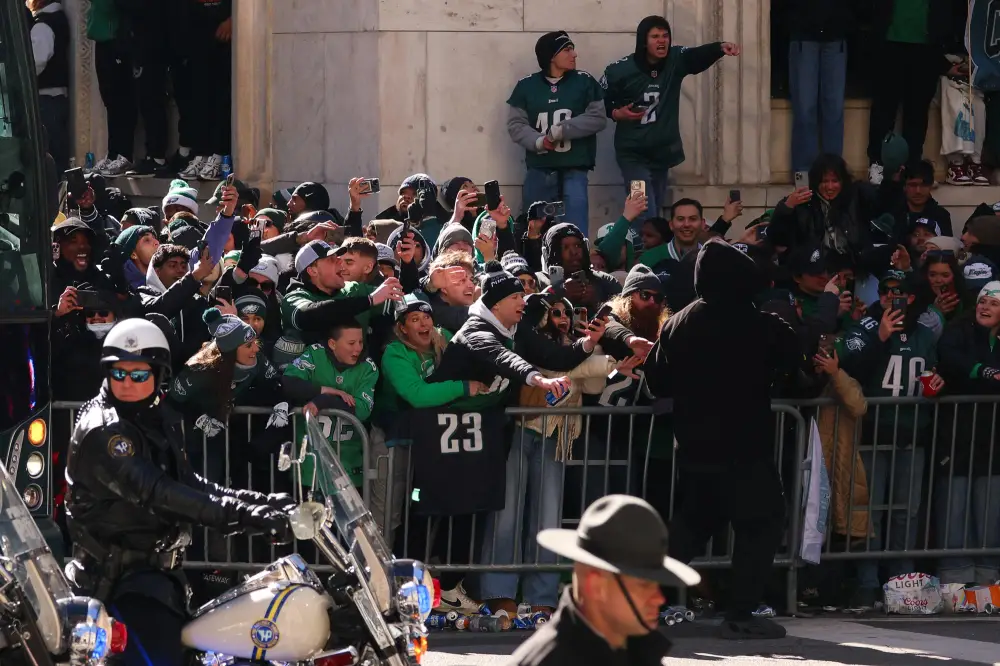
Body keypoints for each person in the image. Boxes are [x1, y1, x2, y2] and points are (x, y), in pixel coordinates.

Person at [63, 319, 292, 666]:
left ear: (158, 376)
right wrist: (244, 517)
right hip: (118, 584)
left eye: (138, 375)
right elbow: (159, 492)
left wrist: (261, 503)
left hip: (156, 577)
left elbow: (188, 481)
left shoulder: (151, 417)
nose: (126, 383)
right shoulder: (107, 432)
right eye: (118, 373)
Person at [644, 239, 799, 639]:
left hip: (695, 446)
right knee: (762, 522)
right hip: (744, 447)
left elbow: (656, 379)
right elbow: (792, 355)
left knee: (691, 527)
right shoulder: (754, 322)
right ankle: (742, 611)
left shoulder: (678, 323)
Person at [510, 494, 700, 666]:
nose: (659, 598)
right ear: (596, 585)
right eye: (644, 585)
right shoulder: (551, 660)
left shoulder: (636, 648)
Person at [601, 15, 739, 233]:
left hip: (661, 152)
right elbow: (602, 102)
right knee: (642, 207)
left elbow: (695, 56)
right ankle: (643, 257)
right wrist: (618, 113)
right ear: (643, 41)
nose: (661, 41)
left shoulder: (674, 60)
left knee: (654, 210)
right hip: (633, 154)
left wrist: (719, 48)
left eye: (665, 35)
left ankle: (654, 255)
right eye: (655, 36)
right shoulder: (620, 70)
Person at [507, 31, 606, 229]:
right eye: (567, 50)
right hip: (539, 169)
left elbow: (598, 118)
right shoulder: (526, 86)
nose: (574, 54)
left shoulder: (584, 81)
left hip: (574, 168)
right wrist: (538, 141)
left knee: (575, 230)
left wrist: (562, 130)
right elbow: (515, 125)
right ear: (551, 56)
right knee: (536, 229)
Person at [29, 0, 70, 173]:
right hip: (55, 99)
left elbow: (35, 62)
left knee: (50, 158)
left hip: (46, 99)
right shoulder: (57, 19)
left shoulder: (43, 25)